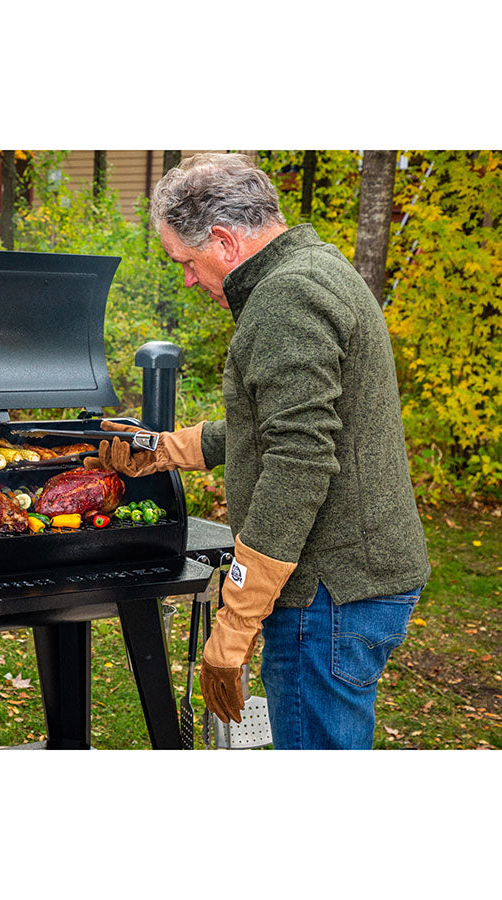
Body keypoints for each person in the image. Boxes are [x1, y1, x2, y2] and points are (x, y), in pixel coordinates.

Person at [87, 153, 431, 750]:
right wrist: (166, 448)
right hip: (357, 583)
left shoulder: (285, 297)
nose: (190, 279)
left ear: (223, 240)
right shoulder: (319, 268)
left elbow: (298, 462)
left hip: (327, 591)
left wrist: (238, 618)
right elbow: (283, 426)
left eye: (187, 263)